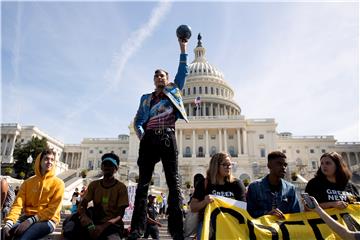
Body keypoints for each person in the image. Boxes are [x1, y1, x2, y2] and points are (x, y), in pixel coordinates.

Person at [128, 37, 189, 240]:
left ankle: (177, 231)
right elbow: (137, 121)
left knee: (174, 183)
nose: (159, 78)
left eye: (162, 75)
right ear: (154, 80)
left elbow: (183, 72)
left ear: (167, 78)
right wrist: (143, 137)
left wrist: (183, 47)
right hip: (149, 140)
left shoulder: (174, 92)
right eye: (156, 76)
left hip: (167, 137)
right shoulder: (146, 99)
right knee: (143, 185)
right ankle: (136, 230)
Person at [2, 149, 65, 240]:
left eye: (52, 160)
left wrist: (31, 220)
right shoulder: (27, 183)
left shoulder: (59, 183)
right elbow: (17, 205)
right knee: (3, 234)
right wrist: (9, 222)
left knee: (23, 238)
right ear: (39, 161)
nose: (49, 162)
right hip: (26, 218)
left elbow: (52, 210)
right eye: (46, 159)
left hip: (48, 220)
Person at [189, 152, 246, 239]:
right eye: (225, 164)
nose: (229, 167)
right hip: (209, 226)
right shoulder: (204, 184)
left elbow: (243, 208)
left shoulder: (236, 184)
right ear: (216, 166)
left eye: (230, 164)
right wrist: (205, 202)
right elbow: (193, 207)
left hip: (231, 225)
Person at [77, 152, 129, 240]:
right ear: (101, 167)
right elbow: (83, 203)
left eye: (110, 165)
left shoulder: (121, 187)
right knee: (72, 229)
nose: (107, 167)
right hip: (94, 223)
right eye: (105, 164)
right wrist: (85, 217)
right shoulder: (94, 185)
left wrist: (102, 227)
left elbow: (120, 215)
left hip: (112, 225)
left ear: (116, 169)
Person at [246, 151, 300, 219]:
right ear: (269, 165)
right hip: (262, 228)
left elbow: (296, 215)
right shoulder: (254, 187)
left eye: (285, 165)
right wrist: (267, 215)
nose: (283, 167)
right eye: (279, 164)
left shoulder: (290, 189)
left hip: (284, 228)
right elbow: (249, 213)